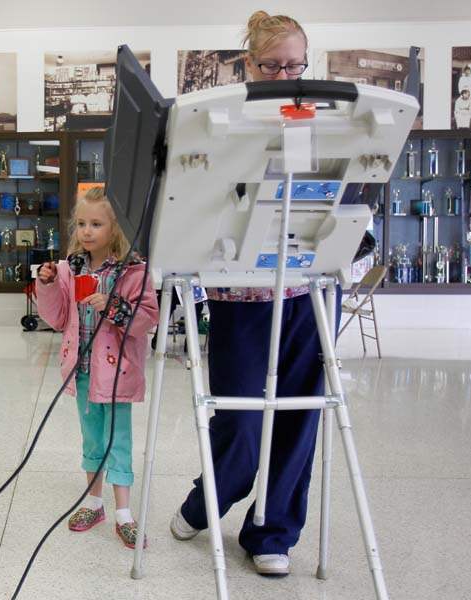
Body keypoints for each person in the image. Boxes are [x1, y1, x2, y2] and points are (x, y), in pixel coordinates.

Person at [170, 10, 340, 578]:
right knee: (240, 421)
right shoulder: (221, 115)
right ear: (250, 64)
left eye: (297, 65)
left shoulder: (329, 120)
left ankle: (273, 533)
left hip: (307, 291)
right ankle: (205, 502)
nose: (287, 75)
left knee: (298, 421)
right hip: (240, 294)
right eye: (274, 65)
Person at [36, 187, 158, 549]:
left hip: (117, 374)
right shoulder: (68, 269)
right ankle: (93, 501)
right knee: (91, 437)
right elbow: (58, 317)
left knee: (118, 439)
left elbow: (147, 317)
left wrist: (113, 305)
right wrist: (46, 285)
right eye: (82, 224)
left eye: (96, 224)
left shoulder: (134, 271)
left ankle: (124, 513)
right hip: (83, 369)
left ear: (116, 228)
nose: (87, 231)